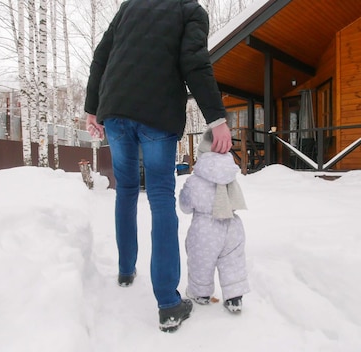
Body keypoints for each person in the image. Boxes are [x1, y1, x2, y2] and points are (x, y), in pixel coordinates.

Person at [83, 0, 232, 333]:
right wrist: (217, 118)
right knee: (161, 197)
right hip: (158, 114)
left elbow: (101, 56)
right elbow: (194, 63)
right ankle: (168, 304)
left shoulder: (129, 7)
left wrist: (92, 108)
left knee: (126, 189)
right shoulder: (190, 11)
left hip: (117, 110)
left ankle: (125, 270)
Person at [179, 129, 250, 313]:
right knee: (232, 262)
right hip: (232, 224)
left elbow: (185, 206)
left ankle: (200, 294)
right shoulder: (230, 175)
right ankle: (234, 298)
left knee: (200, 261)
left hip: (205, 229)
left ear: (202, 155)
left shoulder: (195, 181)